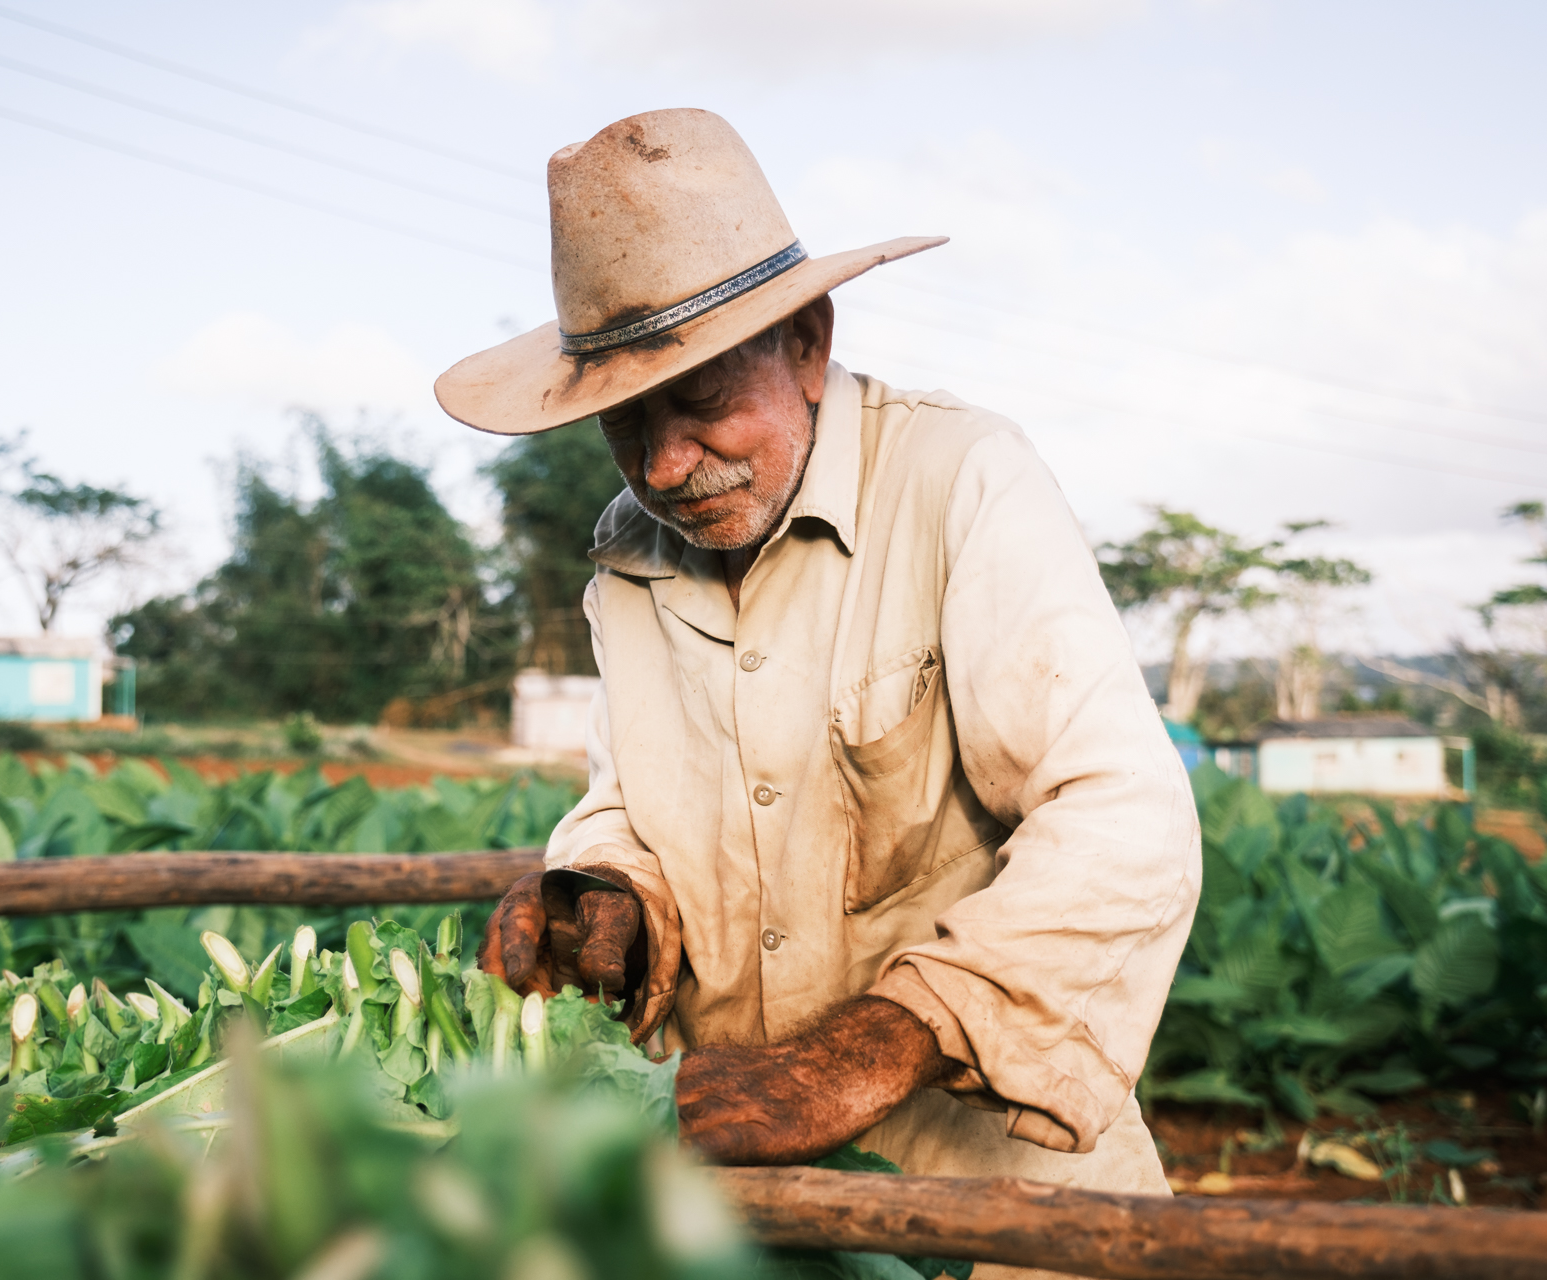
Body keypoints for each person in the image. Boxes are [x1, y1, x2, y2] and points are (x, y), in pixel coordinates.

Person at [436, 109, 1200, 1265]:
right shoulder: (628, 552)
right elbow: (632, 794)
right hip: (739, 1208)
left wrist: (864, 1052)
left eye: (695, 403)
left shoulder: (961, 479)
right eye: (624, 422)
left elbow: (1123, 816)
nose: (662, 466)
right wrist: (608, 889)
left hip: (995, 1199)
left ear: (806, 340)